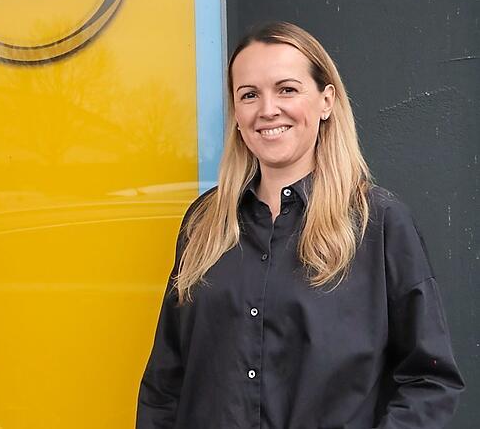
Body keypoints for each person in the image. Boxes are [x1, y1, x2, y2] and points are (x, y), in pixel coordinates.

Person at [136, 22, 463, 428]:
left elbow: (429, 379)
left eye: (286, 89)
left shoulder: (377, 223)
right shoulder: (204, 223)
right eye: (249, 94)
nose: (267, 109)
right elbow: (166, 382)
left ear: (326, 101)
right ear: (236, 113)